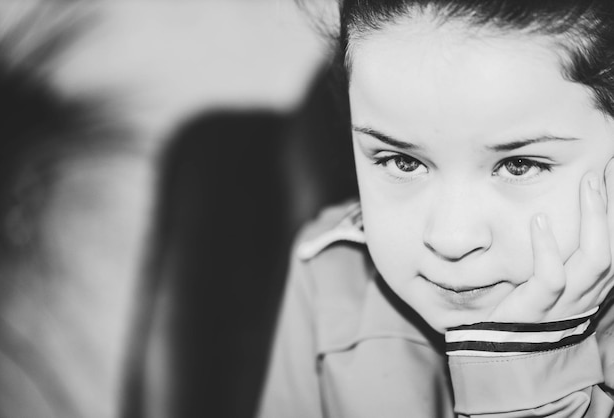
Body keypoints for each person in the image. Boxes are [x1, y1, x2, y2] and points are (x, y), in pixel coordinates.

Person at [257, 1, 614, 417]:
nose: (451, 239)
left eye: (520, 165)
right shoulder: (330, 274)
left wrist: (520, 374)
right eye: (401, 161)